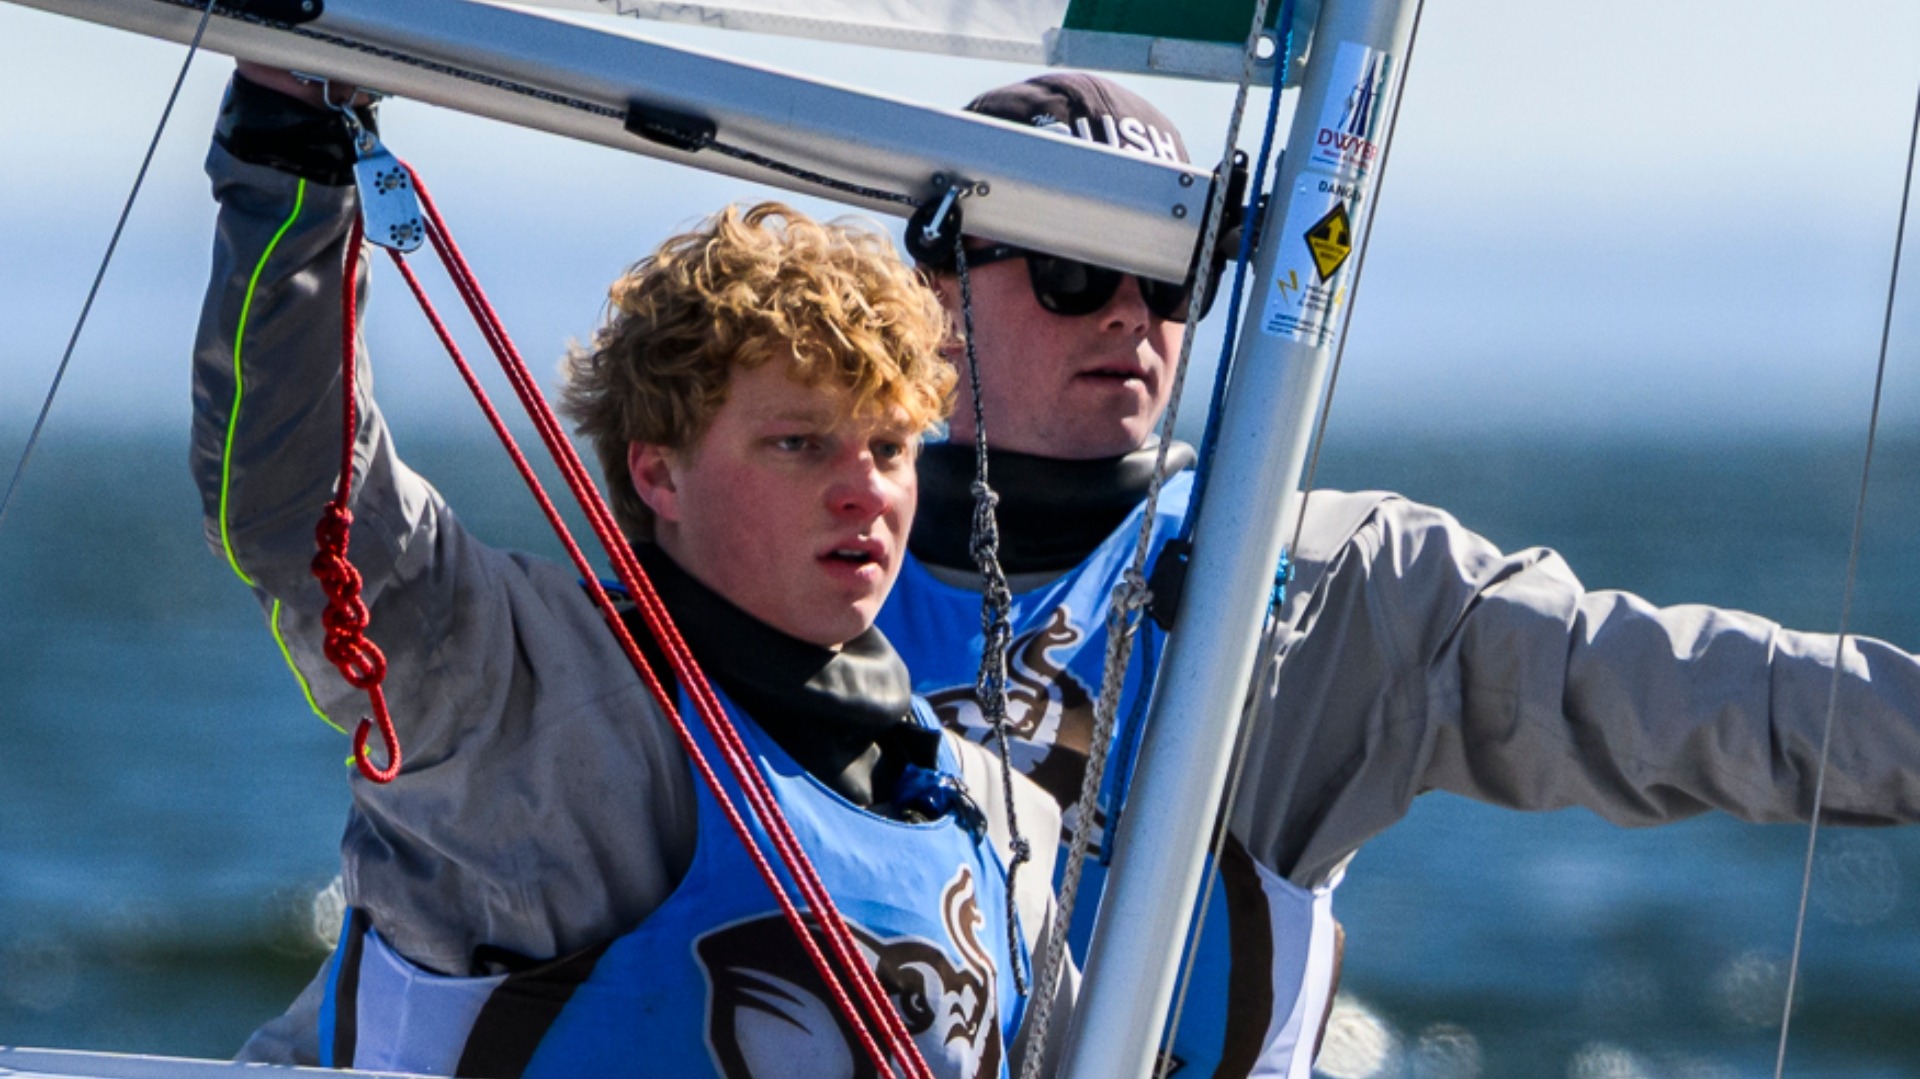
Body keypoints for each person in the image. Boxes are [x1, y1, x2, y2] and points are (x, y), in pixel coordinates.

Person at [874, 72, 1920, 1078]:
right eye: (1075, 268)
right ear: (933, 290)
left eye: (1169, 275)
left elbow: (1671, 690)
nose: (1128, 315)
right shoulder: (799, 564)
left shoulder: (1319, 586)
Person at [195, 65, 1066, 1079]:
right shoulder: (513, 692)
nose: (863, 491)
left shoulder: (1001, 821)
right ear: (659, 471)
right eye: (799, 444)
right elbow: (301, 506)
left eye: (889, 448)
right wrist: (287, 144)